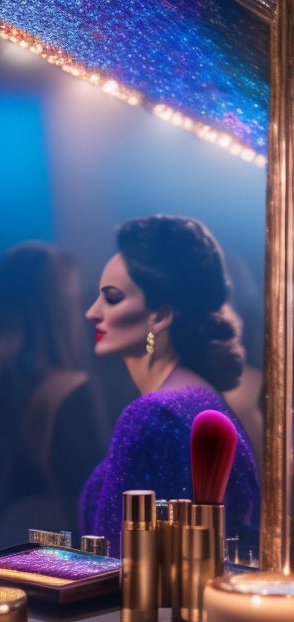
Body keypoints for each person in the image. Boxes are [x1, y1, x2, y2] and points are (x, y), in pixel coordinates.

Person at [79, 214, 260, 558]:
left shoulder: (153, 415)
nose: (92, 312)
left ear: (160, 316)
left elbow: (115, 564)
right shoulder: (199, 397)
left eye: (112, 298)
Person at [0, 241, 108, 547]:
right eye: (74, 302)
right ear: (58, 311)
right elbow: (94, 499)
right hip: (54, 544)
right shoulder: (75, 390)